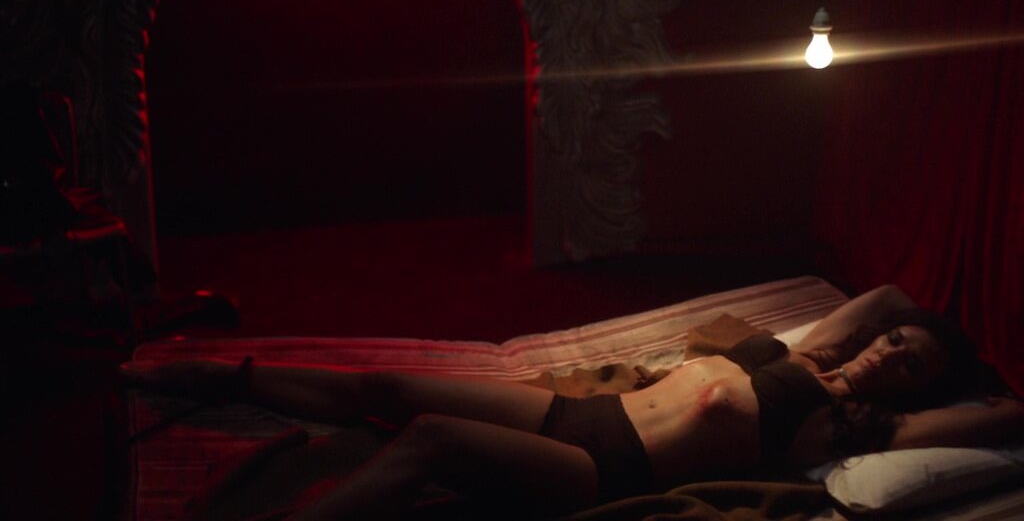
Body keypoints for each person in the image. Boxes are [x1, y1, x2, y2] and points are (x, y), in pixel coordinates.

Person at [121, 285, 1024, 520]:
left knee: (430, 437)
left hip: (606, 467)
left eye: (911, 364)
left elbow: (1006, 418)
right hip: (577, 415)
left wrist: (957, 372)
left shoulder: (857, 426)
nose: (889, 356)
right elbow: (885, 297)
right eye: (895, 343)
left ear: (923, 391)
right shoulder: (802, 353)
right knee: (384, 389)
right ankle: (224, 377)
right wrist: (910, 325)